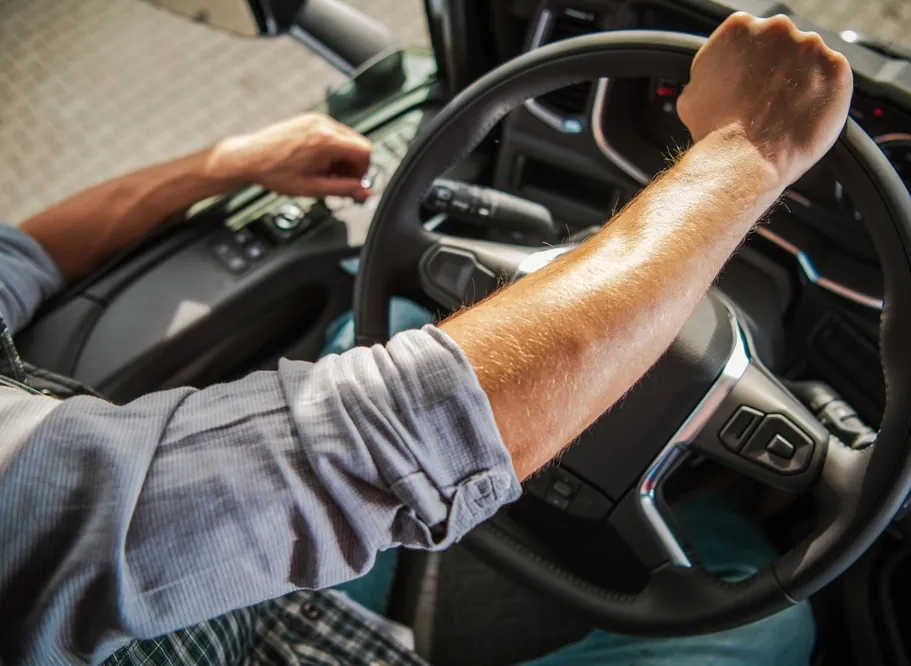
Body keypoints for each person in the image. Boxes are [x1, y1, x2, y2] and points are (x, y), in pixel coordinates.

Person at [0, 12, 851, 666]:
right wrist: (751, 148)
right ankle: (716, 497)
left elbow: (23, 256)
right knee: (767, 627)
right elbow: (409, 430)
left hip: (246, 607)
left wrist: (228, 164)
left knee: (399, 323)